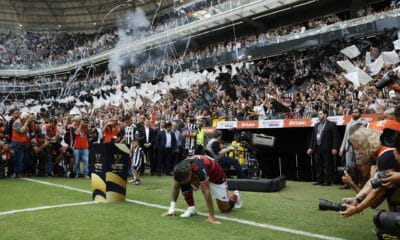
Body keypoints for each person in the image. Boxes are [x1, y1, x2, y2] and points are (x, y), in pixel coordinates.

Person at [161, 155, 242, 224]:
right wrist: (171, 210)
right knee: (182, 183)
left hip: (216, 177)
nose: (182, 182)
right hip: (196, 175)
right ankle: (192, 208)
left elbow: (206, 192)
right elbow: (176, 187)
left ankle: (235, 196)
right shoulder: (181, 169)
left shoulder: (199, 168)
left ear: (189, 173)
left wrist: (211, 217)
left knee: (224, 209)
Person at [307, 109, 339, 186]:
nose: (319, 115)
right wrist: (310, 147)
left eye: (320, 114)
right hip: (317, 148)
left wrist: (335, 147)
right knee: (318, 164)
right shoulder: (316, 125)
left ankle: (327, 181)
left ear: (325, 115)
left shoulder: (331, 124)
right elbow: (313, 137)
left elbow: (335, 137)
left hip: (327, 148)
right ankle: (319, 180)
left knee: (327, 165)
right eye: (318, 114)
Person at [338, 108, 368, 188]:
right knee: (348, 166)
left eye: (356, 112)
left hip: (358, 147)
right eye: (353, 112)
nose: (354, 113)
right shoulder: (349, 123)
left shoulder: (364, 122)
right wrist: (342, 148)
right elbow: (345, 136)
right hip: (348, 146)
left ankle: (361, 183)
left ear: (360, 114)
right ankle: (349, 183)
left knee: (359, 165)